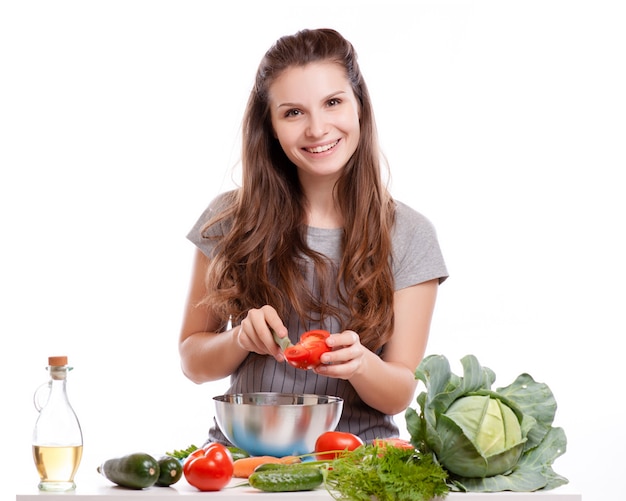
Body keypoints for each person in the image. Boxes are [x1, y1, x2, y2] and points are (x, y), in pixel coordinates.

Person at [179, 28, 448, 445]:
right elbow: (193, 362)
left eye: (333, 103)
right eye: (293, 113)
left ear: (359, 107)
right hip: (241, 462)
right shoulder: (228, 219)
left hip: (357, 462)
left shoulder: (409, 234)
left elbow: (398, 393)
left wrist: (360, 364)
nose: (317, 128)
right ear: (269, 126)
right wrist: (239, 339)